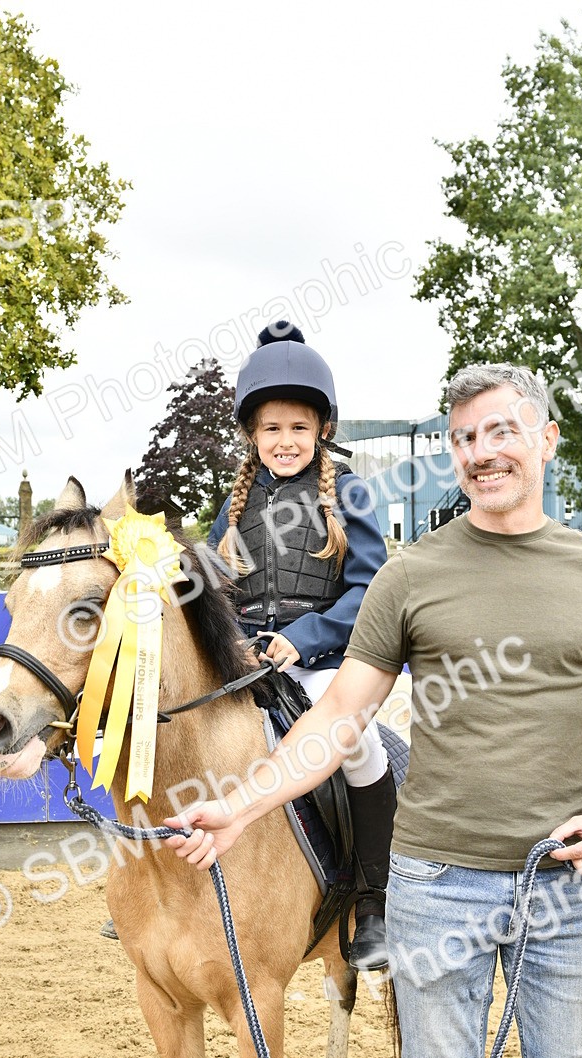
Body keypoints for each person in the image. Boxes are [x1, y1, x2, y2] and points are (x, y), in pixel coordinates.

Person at [166, 363, 582, 1058]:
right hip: (437, 885)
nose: (481, 453)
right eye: (463, 439)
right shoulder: (412, 575)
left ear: (547, 440)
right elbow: (340, 712)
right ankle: (365, 898)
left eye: (501, 431)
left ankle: (357, 888)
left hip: (564, 892)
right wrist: (243, 804)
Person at [207, 320, 395, 971]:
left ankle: (372, 901)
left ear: (322, 430)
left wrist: (300, 638)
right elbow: (210, 597)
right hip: (243, 670)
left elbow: (369, 592)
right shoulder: (231, 509)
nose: (284, 442)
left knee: (359, 746)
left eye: (297, 428)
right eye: (271, 429)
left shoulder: (351, 493)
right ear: (251, 435)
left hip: (320, 668)